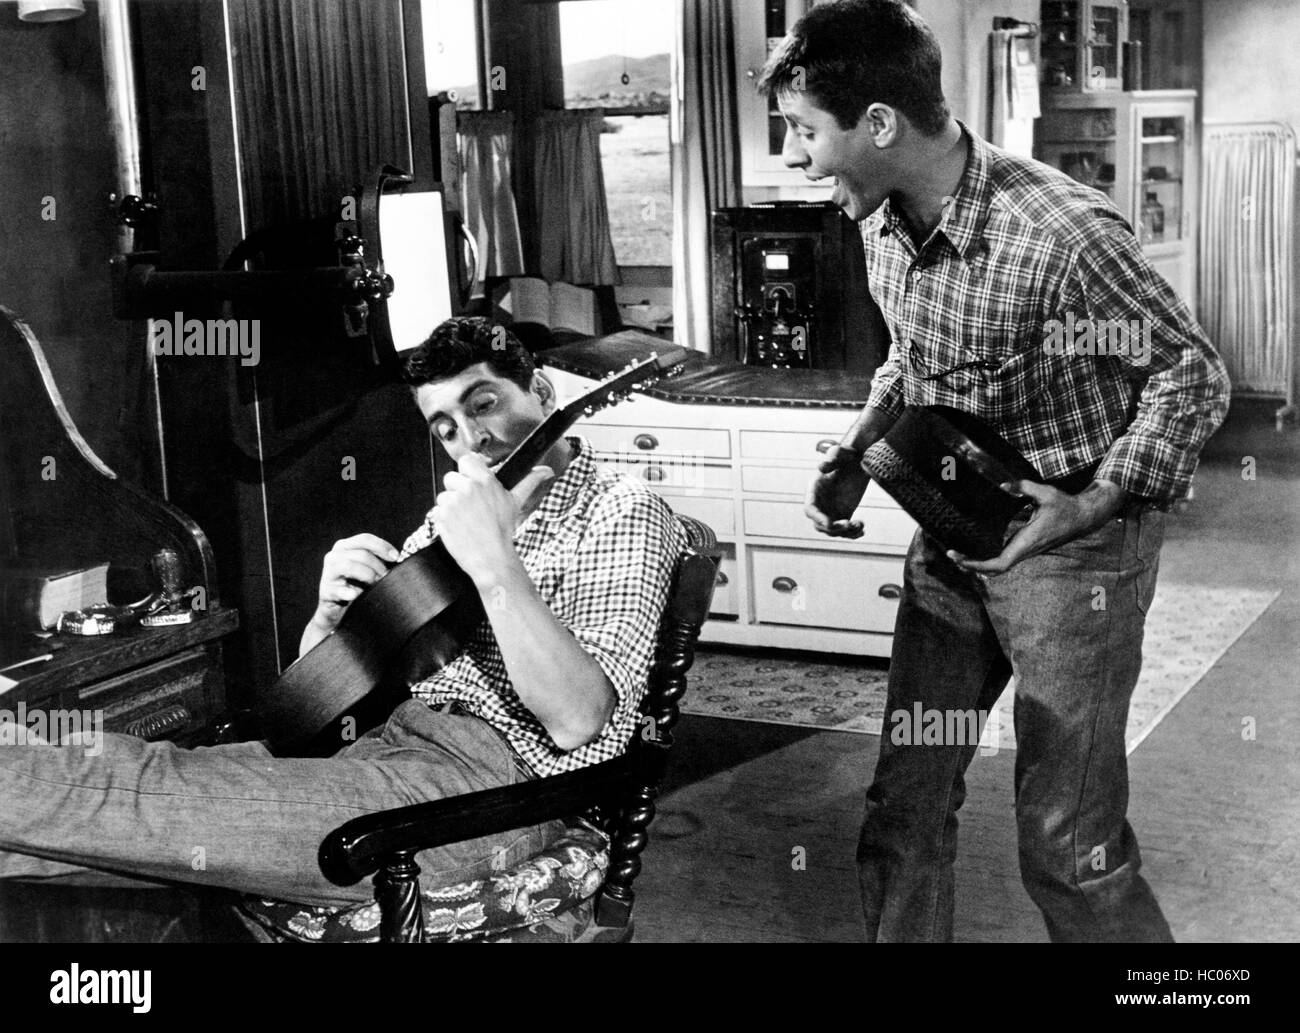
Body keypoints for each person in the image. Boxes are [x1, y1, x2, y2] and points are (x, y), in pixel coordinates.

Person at [759, 0, 1230, 942]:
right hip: (954, 535)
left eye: (805, 130)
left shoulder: (1062, 236)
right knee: (904, 808)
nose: (793, 156)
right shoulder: (879, 214)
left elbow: (1190, 373)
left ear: (880, 125)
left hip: (1076, 558)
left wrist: (1089, 503)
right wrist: (855, 453)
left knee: (1066, 842)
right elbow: (915, 355)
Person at [0, 317, 684, 907]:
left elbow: (576, 717)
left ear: (541, 391)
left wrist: (496, 561)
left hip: (486, 798)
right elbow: (304, 720)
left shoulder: (623, 512)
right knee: (48, 834)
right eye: (445, 428)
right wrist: (330, 624)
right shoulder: (455, 527)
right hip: (381, 754)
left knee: (132, 785)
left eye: (485, 404)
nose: (471, 439)